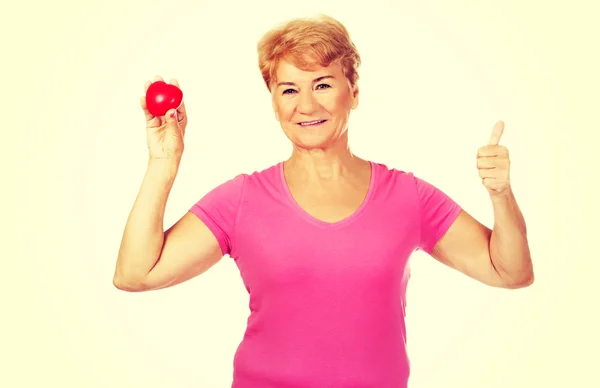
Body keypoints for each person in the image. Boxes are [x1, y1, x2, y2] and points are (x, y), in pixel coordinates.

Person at [113, 14, 534, 388]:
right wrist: (163, 164)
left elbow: (510, 272)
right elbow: (135, 274)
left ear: (353, 91)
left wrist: (500, 194)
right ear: (274, 102)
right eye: (289, 89)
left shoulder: (408, 196)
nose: (307, 105)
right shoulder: (241, 199)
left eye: (323, 84)